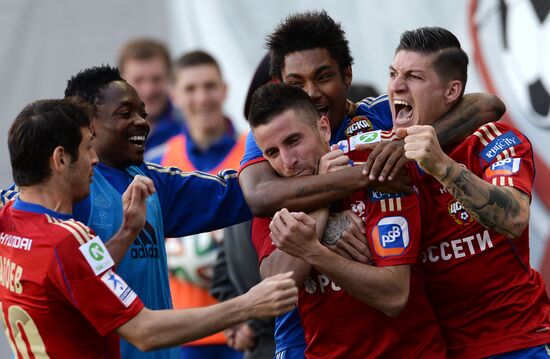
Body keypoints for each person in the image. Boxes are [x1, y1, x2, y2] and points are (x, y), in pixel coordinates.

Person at [240, 10, 506, 358]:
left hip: (409, 339)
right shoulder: (276, 144)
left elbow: (486, 104)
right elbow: (259, 197)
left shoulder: (382, 117)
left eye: (323, 77)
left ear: (347, 75)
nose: (311, 93)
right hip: (306, 341)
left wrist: (403, 152)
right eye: (296, 84)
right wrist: (337, 192)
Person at [0, 98, 298, 358]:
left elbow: (77, 278)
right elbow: (145, 332)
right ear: (61, 158)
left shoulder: (8, 219)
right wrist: (248, 305)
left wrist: (128, 232)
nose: (94, 159)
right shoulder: (67, 238)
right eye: (88, 148)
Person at [63, 65, 252, 359]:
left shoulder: (152, 180)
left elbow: (241, 196)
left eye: (143, 113)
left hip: (184, 342)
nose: (141, 122)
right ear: (88, 124)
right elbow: (78, 281)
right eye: (126, 114)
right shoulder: (63, 192)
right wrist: (252, 304)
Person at [248, 83, 446, 358]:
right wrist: (323, 199)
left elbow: (394, 296)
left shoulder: (378, 173)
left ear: (324, 128)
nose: (287, 161)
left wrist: (312, 251)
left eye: (293, 141)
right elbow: (278, 284)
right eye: (272, 152)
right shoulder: (275, 203)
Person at [388, 27, 550, 358]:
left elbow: (515, 218)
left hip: (515, 341)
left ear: (452, 91)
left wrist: (441, 166)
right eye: (393, 74)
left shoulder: (493, 141)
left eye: (413, 76)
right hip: (437, 349)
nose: (396, 86)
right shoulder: (386, 141)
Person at [149, 50, 246, 358]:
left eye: (209, 86)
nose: (202, 97)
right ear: (174, 96)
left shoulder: (255, 154)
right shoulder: (156, 161)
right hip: (181, 329)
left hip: (245, 328)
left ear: (225, 89)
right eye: (191, 88)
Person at [118, 38, 186, 161]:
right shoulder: (103, 132)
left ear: (169, 78)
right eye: (138, 80)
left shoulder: (190, 129)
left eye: (156, 79)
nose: (148, 90)